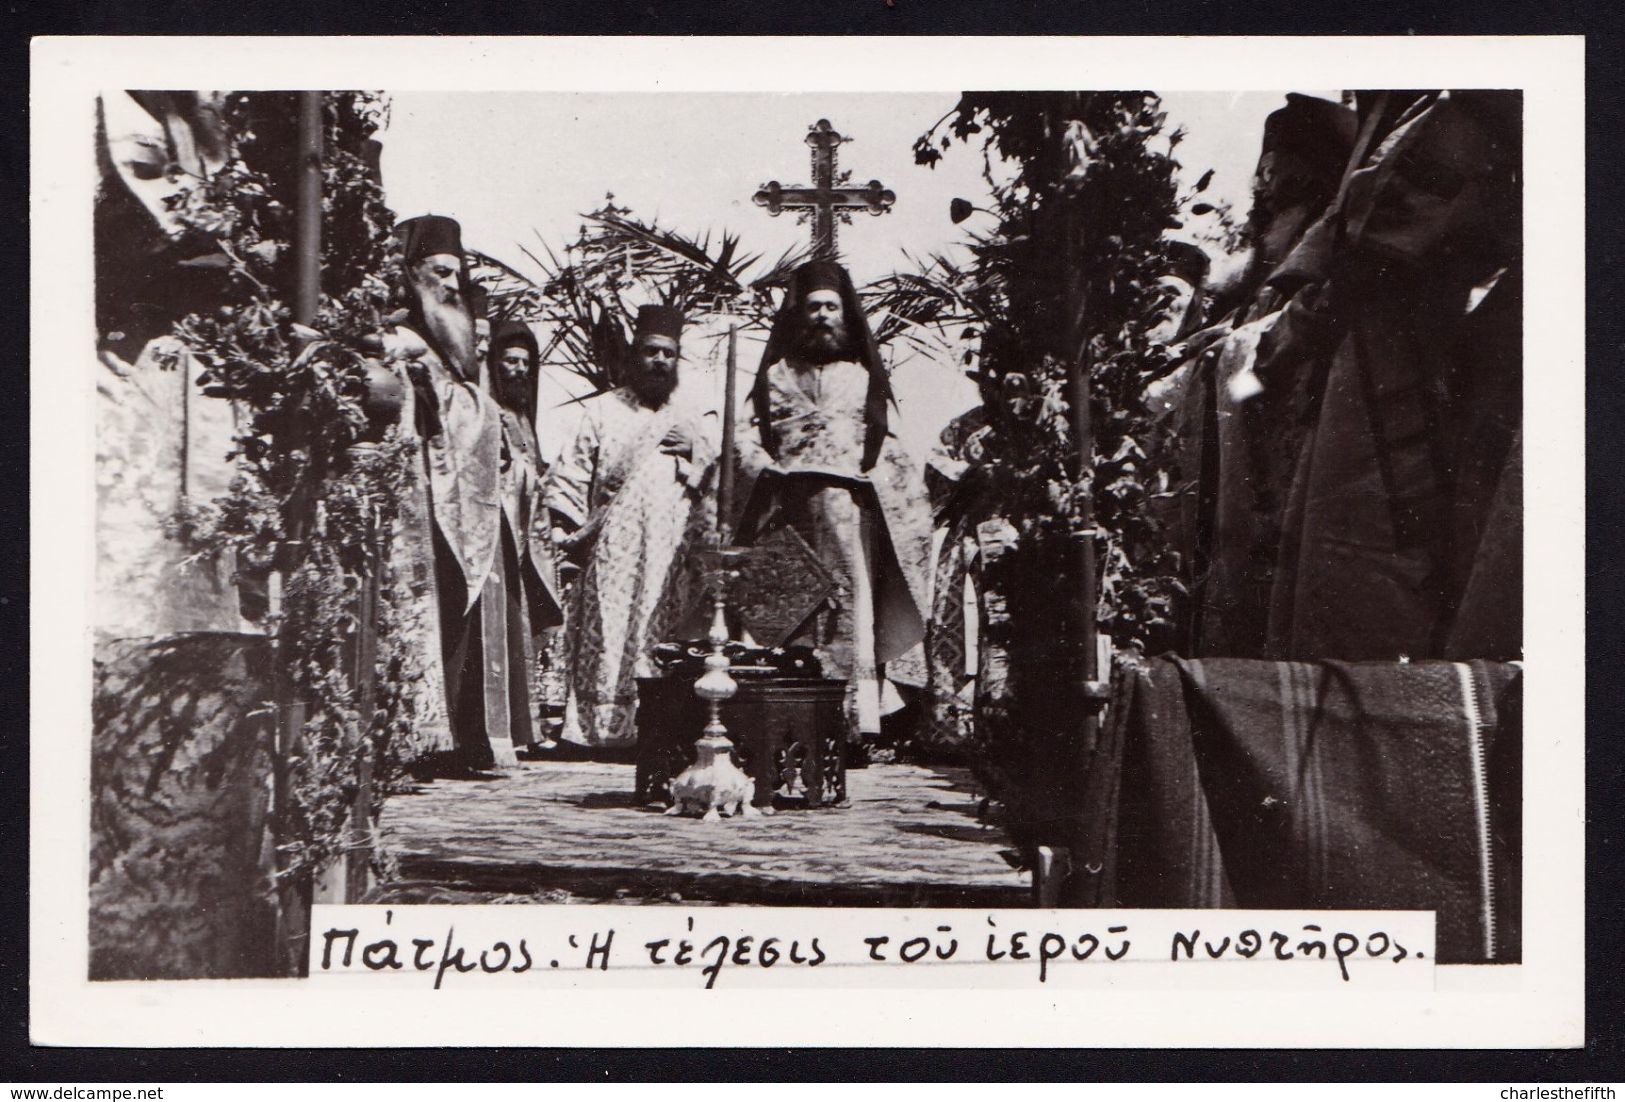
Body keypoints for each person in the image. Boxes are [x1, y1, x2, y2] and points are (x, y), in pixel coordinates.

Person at [736, 260, 933, 746]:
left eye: (831, 307)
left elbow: (894, 448)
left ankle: (846, 728)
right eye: (813, 308)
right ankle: (778, 724)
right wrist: (763, 466)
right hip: (786, 511)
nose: (822, 316)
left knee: (847, 612)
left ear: (846, 315)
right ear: (797, 316)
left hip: (849, 517)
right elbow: (740, 438)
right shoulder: (774, 377)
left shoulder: (865, 380)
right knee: (789, 618)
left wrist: (876, 477)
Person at [543, 305, 717, 750]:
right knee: (612, 630)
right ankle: (600, 731)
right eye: (651, 352)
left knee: (661, 635)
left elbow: (719, 479)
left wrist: (697, 449)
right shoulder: (602, 411)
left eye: (669, 354)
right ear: (635, 356)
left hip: (670, 551)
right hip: (613, 549)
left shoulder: (691, 419)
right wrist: (567, 531)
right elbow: (570, 474)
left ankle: (659, 730)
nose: (660, 361)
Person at [383, 214, 516, 768]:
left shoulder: (449, 354)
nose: (452, 287)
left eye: (458, 277)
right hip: (410, 504)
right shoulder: (403, 341)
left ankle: (442, 741)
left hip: (451, 506)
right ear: (411, 275)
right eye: (440, 272)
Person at [488, 318, 564, 750]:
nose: (517, 370)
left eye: (524, 363)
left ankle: (522, 729)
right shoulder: (490, 410)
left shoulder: (522, 417)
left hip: (523, 538)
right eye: (509, 361)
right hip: (497, 536)